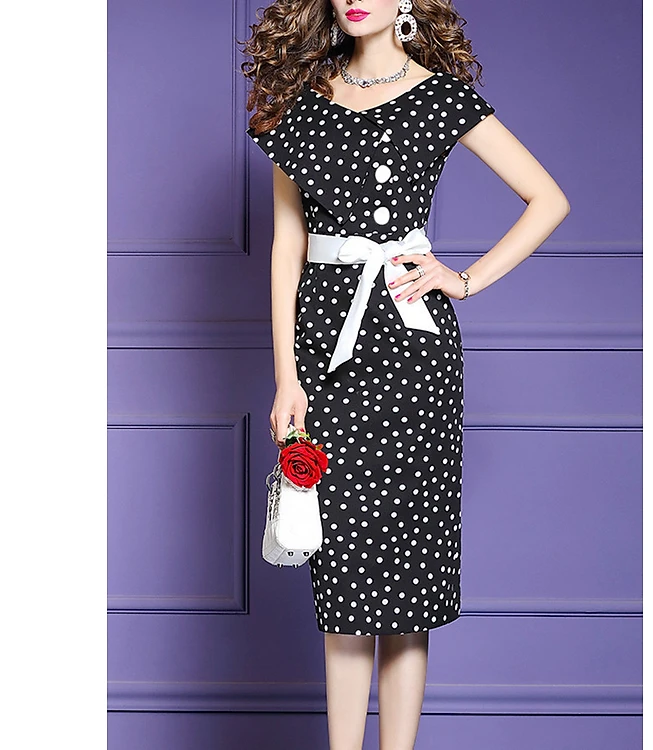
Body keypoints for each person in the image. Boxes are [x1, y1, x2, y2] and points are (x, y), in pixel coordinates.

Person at [241, 1, 570, 747]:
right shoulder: (300, 98)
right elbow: (288, 248)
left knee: (408, 575)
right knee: (343, 571)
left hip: (411, 352)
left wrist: (465, 280)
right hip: (323, 350)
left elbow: (548, 199)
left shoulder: (440, 95)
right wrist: (287, 375)